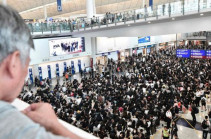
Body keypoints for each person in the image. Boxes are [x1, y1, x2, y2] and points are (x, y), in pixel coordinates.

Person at [0, 5, 81, 139]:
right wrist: (55, 126)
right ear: (13, 63)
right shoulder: (11, 124)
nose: (26, 73)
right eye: (26, 63)